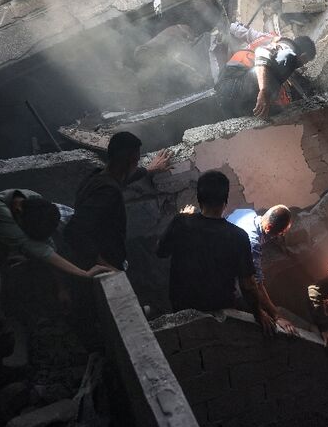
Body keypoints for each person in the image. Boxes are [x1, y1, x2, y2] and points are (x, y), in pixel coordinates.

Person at [0, 190, 109, 410]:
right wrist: (83, 274)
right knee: (1, 340)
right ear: (18, 212)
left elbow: (45, 246)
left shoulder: (32, 202)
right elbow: (36, 248)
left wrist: (62, 289)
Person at [157, 171, 280, 332]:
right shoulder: (238, 236)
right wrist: (259, 313)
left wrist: (181, 218)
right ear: (225, 201)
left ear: (199, 199)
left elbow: (161, 251)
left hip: (182, 306)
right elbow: (248, 285)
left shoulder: (181, 223)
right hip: (221, 309)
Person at [64, 132, 170, 271]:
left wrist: (150, 170)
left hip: (104, 255)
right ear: (127, 162)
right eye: (136, 161)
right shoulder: (108, 192)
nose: (137, 164)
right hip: (103, 261)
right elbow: (74, 230)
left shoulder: (97, 176)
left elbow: (124, 177)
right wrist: (104, 264)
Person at [215, 22, 316, 119]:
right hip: (236, 83)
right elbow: (262, 52)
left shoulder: (270, 38)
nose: (301, 66)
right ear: (304, 56)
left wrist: (232, 27)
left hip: (226, 85)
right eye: (304, 62)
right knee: (274, 97)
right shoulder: (289, 51)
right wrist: (264, 91)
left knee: (274, 109)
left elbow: (247, 33)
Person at [226, 205, 299, 335]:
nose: (279, 236)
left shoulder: (247, 212)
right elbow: (254, 284)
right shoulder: (251, 243)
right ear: (268, 228)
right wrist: (276, 316)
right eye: (279, 233)